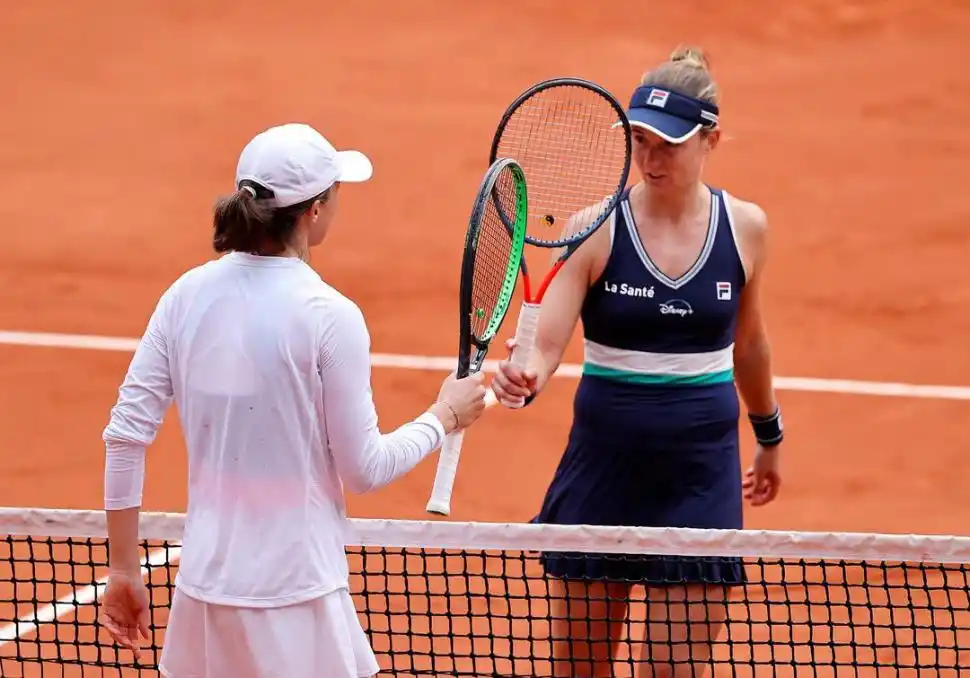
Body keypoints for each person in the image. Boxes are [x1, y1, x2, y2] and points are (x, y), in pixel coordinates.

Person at [97, 122, 488, 678]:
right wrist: (443, 417)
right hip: (298, 597)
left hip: (203, 597)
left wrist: (123, 570)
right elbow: (365, 469)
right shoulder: (329, 315)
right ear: (314, 211)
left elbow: (125, 437)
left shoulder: (183, 296)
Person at [491, 47, 784, 677]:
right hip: (603, 473)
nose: (650, 159)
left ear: (711, 140)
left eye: (668, 145)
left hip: (699, 478)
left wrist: (769, 436)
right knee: (581, 671)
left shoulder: (745, 229)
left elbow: (750, 344)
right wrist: (528, 376)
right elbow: (545, 347)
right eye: (640, 141)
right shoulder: (593, 226)